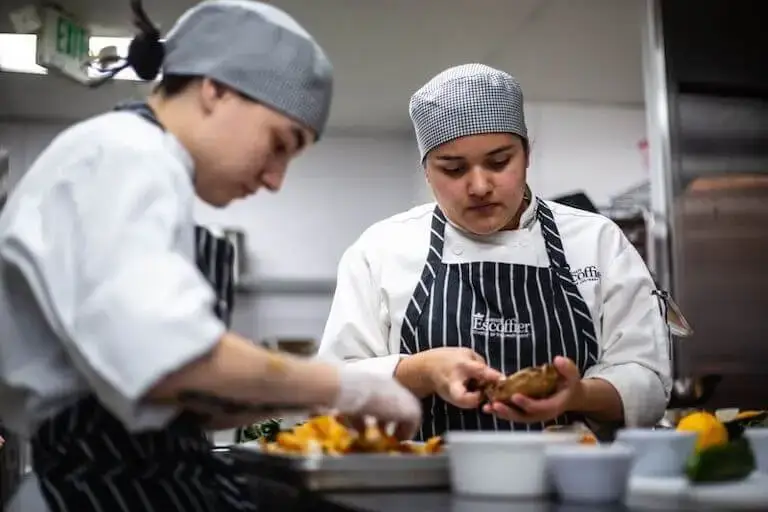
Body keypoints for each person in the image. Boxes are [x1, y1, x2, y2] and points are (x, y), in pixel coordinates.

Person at [0, 2, 421, 511]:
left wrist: (297, 396)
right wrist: (345, 384)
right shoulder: (124, 155)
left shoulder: (139, 164)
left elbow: (171, 394)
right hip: (98, 491)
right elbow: (171, 359)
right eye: (279, 144)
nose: (274, 179)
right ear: (216, 88)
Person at [317, 63, 671, 441]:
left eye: (499, 162)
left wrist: (579, 394)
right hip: (425, 489)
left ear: (527, 154)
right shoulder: (382, 250)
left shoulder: (596, 241)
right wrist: (420, 371)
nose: (480, 186)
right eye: (453, 169)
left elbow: (646, 379)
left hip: (574, 486)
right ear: (426, 171)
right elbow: (333, 390)